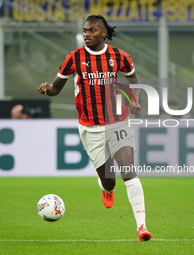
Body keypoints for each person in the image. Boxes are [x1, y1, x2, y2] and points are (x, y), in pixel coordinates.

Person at [38, 15, 152, 241]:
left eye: (91, 30)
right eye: (84, 30)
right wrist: (47, 89)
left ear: (103, 33)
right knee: (110, 180)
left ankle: (142, 227)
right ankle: (106, 188)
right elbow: (56, 89)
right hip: (90, 128)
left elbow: (135, 82)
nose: (86, 34)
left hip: (118, 121)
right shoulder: (73, 58)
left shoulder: (119, 56)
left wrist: (135, 101)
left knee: (128, 172)